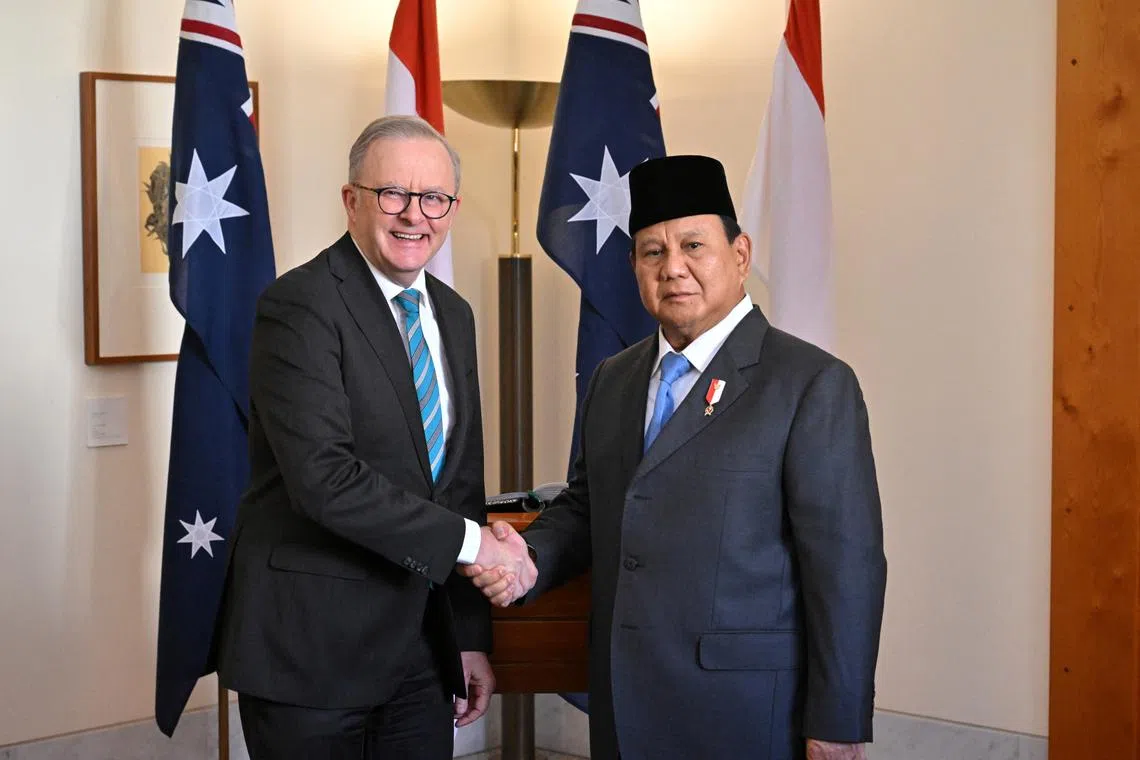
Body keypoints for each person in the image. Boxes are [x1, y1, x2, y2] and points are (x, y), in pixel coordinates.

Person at [465, 155, 887, 760]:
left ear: (740, 255)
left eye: (694, 245)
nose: (674, 268)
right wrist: (529, 556)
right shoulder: (616, 376)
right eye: (652, 251)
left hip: (746, 712)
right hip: (625, 700)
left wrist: (839, 720)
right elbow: (589, 506)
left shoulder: (809, 383)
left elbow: (847, 569)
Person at [214, 115, 533, 760]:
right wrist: (479, 549)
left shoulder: (454, 314)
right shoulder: (300, 305)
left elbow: (459, 483)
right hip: (310, 651)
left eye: (434, 198)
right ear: (352, 199)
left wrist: (468, 636)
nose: (415, 215)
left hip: (418, 649)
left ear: (452, 208)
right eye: (393, 194)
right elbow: (325, 481)